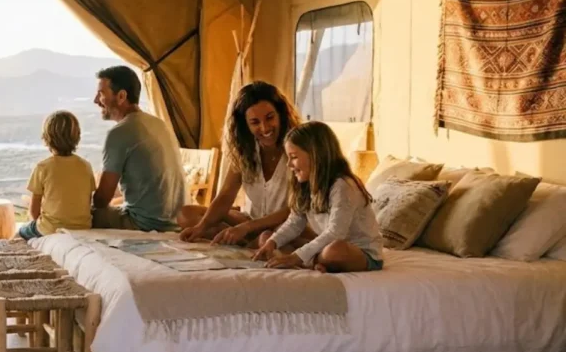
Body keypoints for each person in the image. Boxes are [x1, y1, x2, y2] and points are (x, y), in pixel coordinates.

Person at [179, 81, 306, 247]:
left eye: (270, 118)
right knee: (186, 214)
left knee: (268, 238)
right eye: (255, 122)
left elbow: (298, 208)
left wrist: (245, 228)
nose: (265, 127)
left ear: (281, 114)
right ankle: (248, 239)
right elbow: (225, 196)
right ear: (245, 125)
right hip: (252, 221)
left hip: (285, 225)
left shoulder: (300, 148)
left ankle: (251, 240)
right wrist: (201, 228)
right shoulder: (245, 151)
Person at [252, 121, 384, 273]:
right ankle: (313, 261)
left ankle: (307, 261)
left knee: (334, 251)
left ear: (315, 155)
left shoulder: (343, 186)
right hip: (328, 244)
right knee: (268, 237)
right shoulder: (306, 185)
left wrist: (296, 256)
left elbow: (336, 233)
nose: (289, 164)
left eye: (293, 157)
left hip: (361, 253)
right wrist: (272, 243)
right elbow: (294, 223)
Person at [91, 65, 186, 232]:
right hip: (177, 221)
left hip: (145, 224)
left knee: (75, 214)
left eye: (101, 94)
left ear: (121, 96)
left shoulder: (119, 133)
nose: (96, 100)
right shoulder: (159, 124)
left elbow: (101, 200)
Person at [17, 110, 96, 240]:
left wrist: (39, 226)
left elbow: (34, 210)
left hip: (50, 229)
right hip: (83, 228)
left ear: (47, 138)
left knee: (20, 232)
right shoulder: (86, 166)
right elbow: (87, 201)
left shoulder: (43, 167)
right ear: (77, 136)